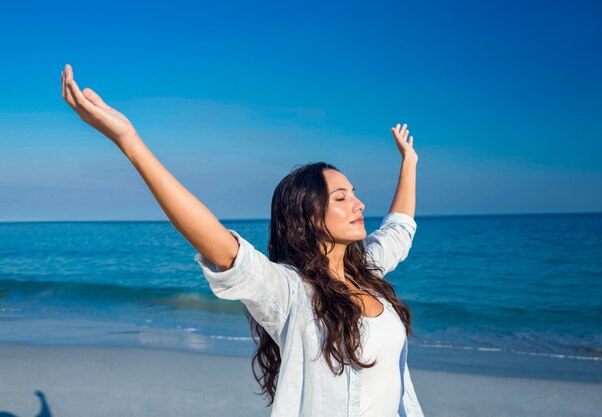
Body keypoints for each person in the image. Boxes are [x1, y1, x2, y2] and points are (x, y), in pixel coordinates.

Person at [61, 64, 425, 417]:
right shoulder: (292, 293)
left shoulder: (366, 273)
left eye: (354, 193)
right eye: (341, 198)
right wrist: (129, 141)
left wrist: (409, 162)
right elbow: (223, 249)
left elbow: (398, 229)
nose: (359, 204)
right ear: (307, 215)